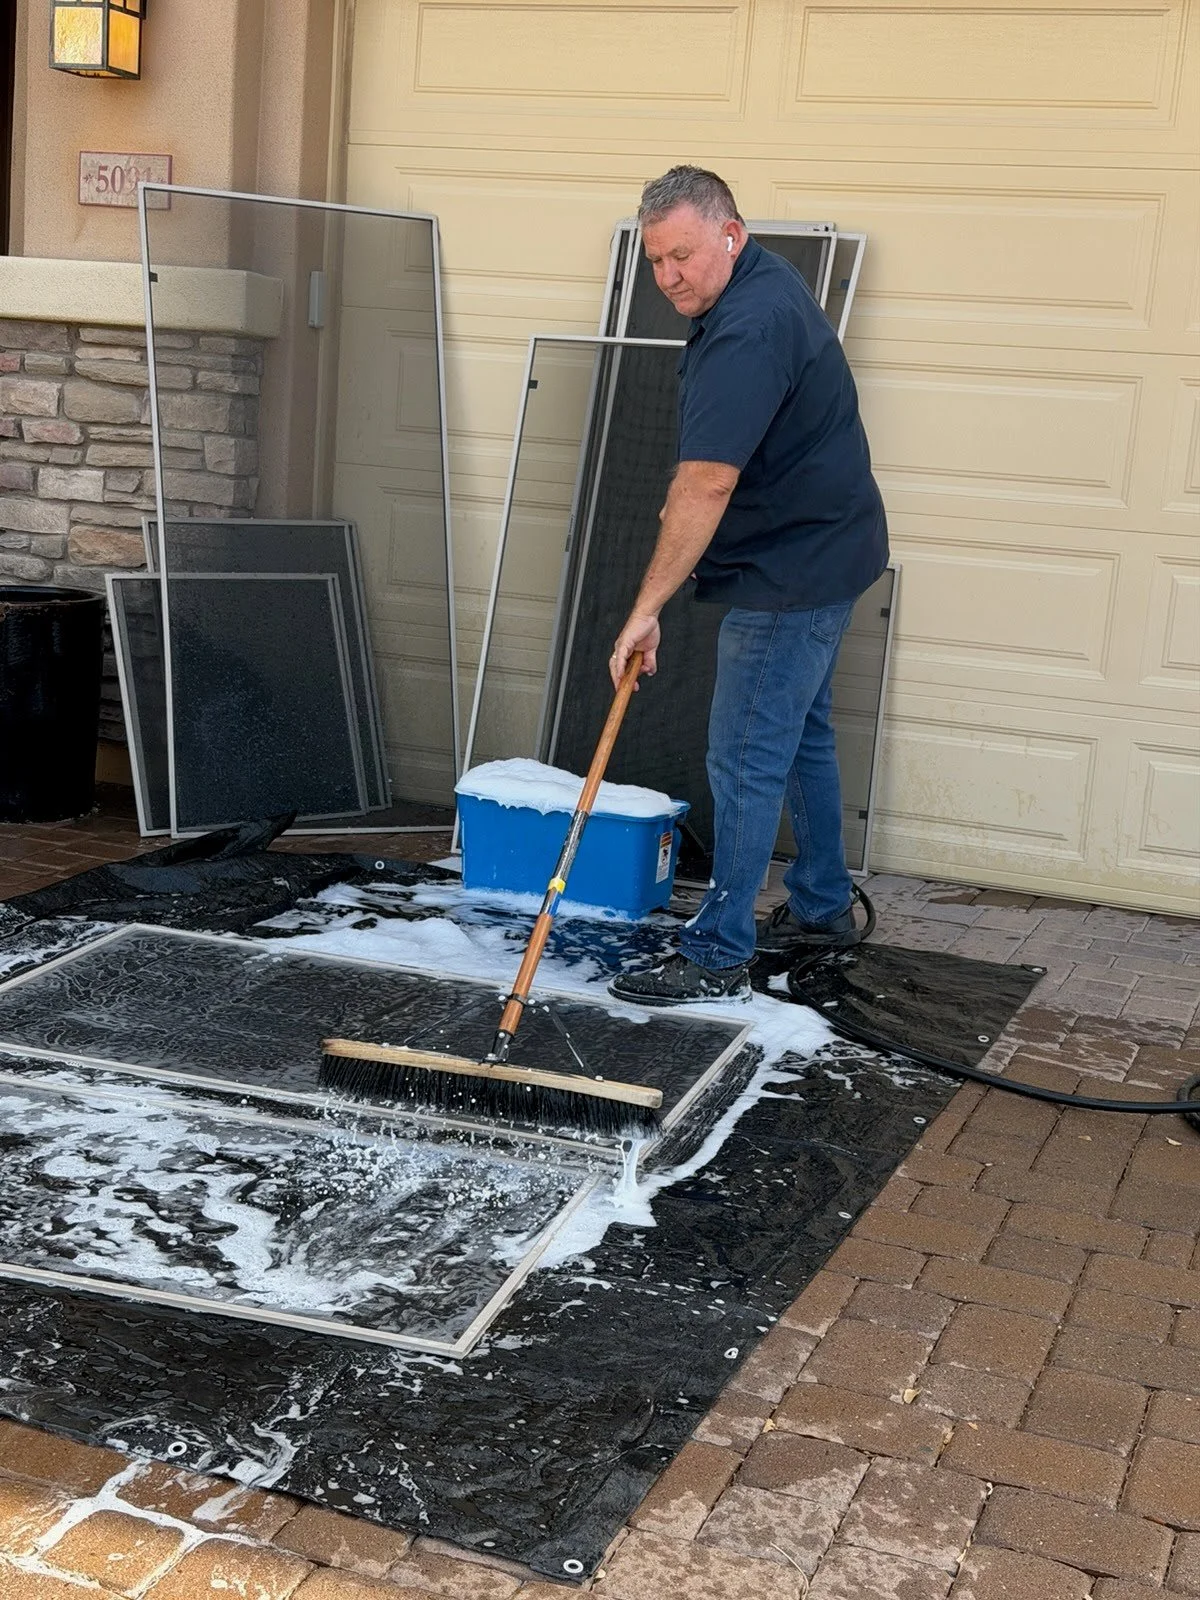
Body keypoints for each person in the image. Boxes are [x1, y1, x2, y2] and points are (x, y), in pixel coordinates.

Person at [607, 165, 888, 1006]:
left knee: (743, 758)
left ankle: (719, 949)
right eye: (656, 261)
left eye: (683, 256)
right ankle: (823, 907)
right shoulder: (763, 281)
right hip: (831, 549)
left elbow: (708, 482)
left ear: (731, 234)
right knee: (800, 737)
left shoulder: (748, 330)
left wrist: (646, 610)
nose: (668, 277)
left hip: (791, 573)